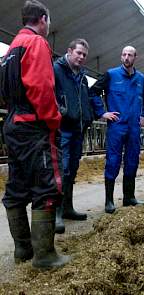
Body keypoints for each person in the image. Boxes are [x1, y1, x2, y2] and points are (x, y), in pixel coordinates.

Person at [0, 0, 70, 268]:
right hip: (34, 125)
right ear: (42, 19)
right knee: (48, 186)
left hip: (13, 123)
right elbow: (42, 87)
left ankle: (23, 249)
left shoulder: (11, 50)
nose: (48, 25)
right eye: (48, 21)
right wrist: (53, 121)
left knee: (17, 186)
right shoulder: (37, 43)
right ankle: (45, 255)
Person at [91, 45, 144, 214]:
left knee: (133, 160)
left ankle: (129, 197)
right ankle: (109, 201)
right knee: (113, 161)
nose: (127, 58)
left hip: (133, 127)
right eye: (124, 55)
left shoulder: (140, 79)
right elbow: (93, 92)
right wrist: (102, 112)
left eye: (130, 55)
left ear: (135, 58)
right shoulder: (111, 75)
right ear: (121, 57)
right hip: (117, 126)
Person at [53, 38, 95, 233]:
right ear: (69, 51)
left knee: (73, 168)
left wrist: (89, 117)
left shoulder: (83, 77)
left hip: (78, 129)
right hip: (63, 128)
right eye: (78, 53)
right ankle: (57, 213)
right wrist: (61, 111)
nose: (81, 57)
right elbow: (50, 95)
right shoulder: (56, 70)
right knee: (62, 169)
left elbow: (84, 100)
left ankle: (68, 207)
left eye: (84, 55)